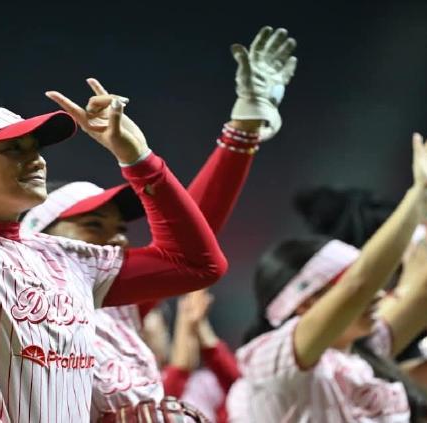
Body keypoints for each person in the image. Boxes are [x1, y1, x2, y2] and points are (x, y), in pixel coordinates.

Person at [0, 43, 227, 422]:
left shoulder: (68, 257)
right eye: (14, 149)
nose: (37, 159)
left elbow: (196, 265)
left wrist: (139, 159)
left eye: (36, 148)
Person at [17, 26, 296, 422]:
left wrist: (243, 129)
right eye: (93, 225)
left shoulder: (113, 306)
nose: (117, 239)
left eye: (120, 229)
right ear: (40, 238)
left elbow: (194, 235)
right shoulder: (8, 297)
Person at [226, 133, 427, 422]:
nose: (378, 294)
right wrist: (420, 196)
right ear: (304, 303)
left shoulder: (358, 351)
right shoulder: (271, 364)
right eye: (340, 286)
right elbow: (359, 284)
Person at [162, 290, 240, 423]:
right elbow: (177, 374)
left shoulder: (204, 381)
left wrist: (199, 323)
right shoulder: (139, 387)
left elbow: (237, 385)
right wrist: (185, 319)